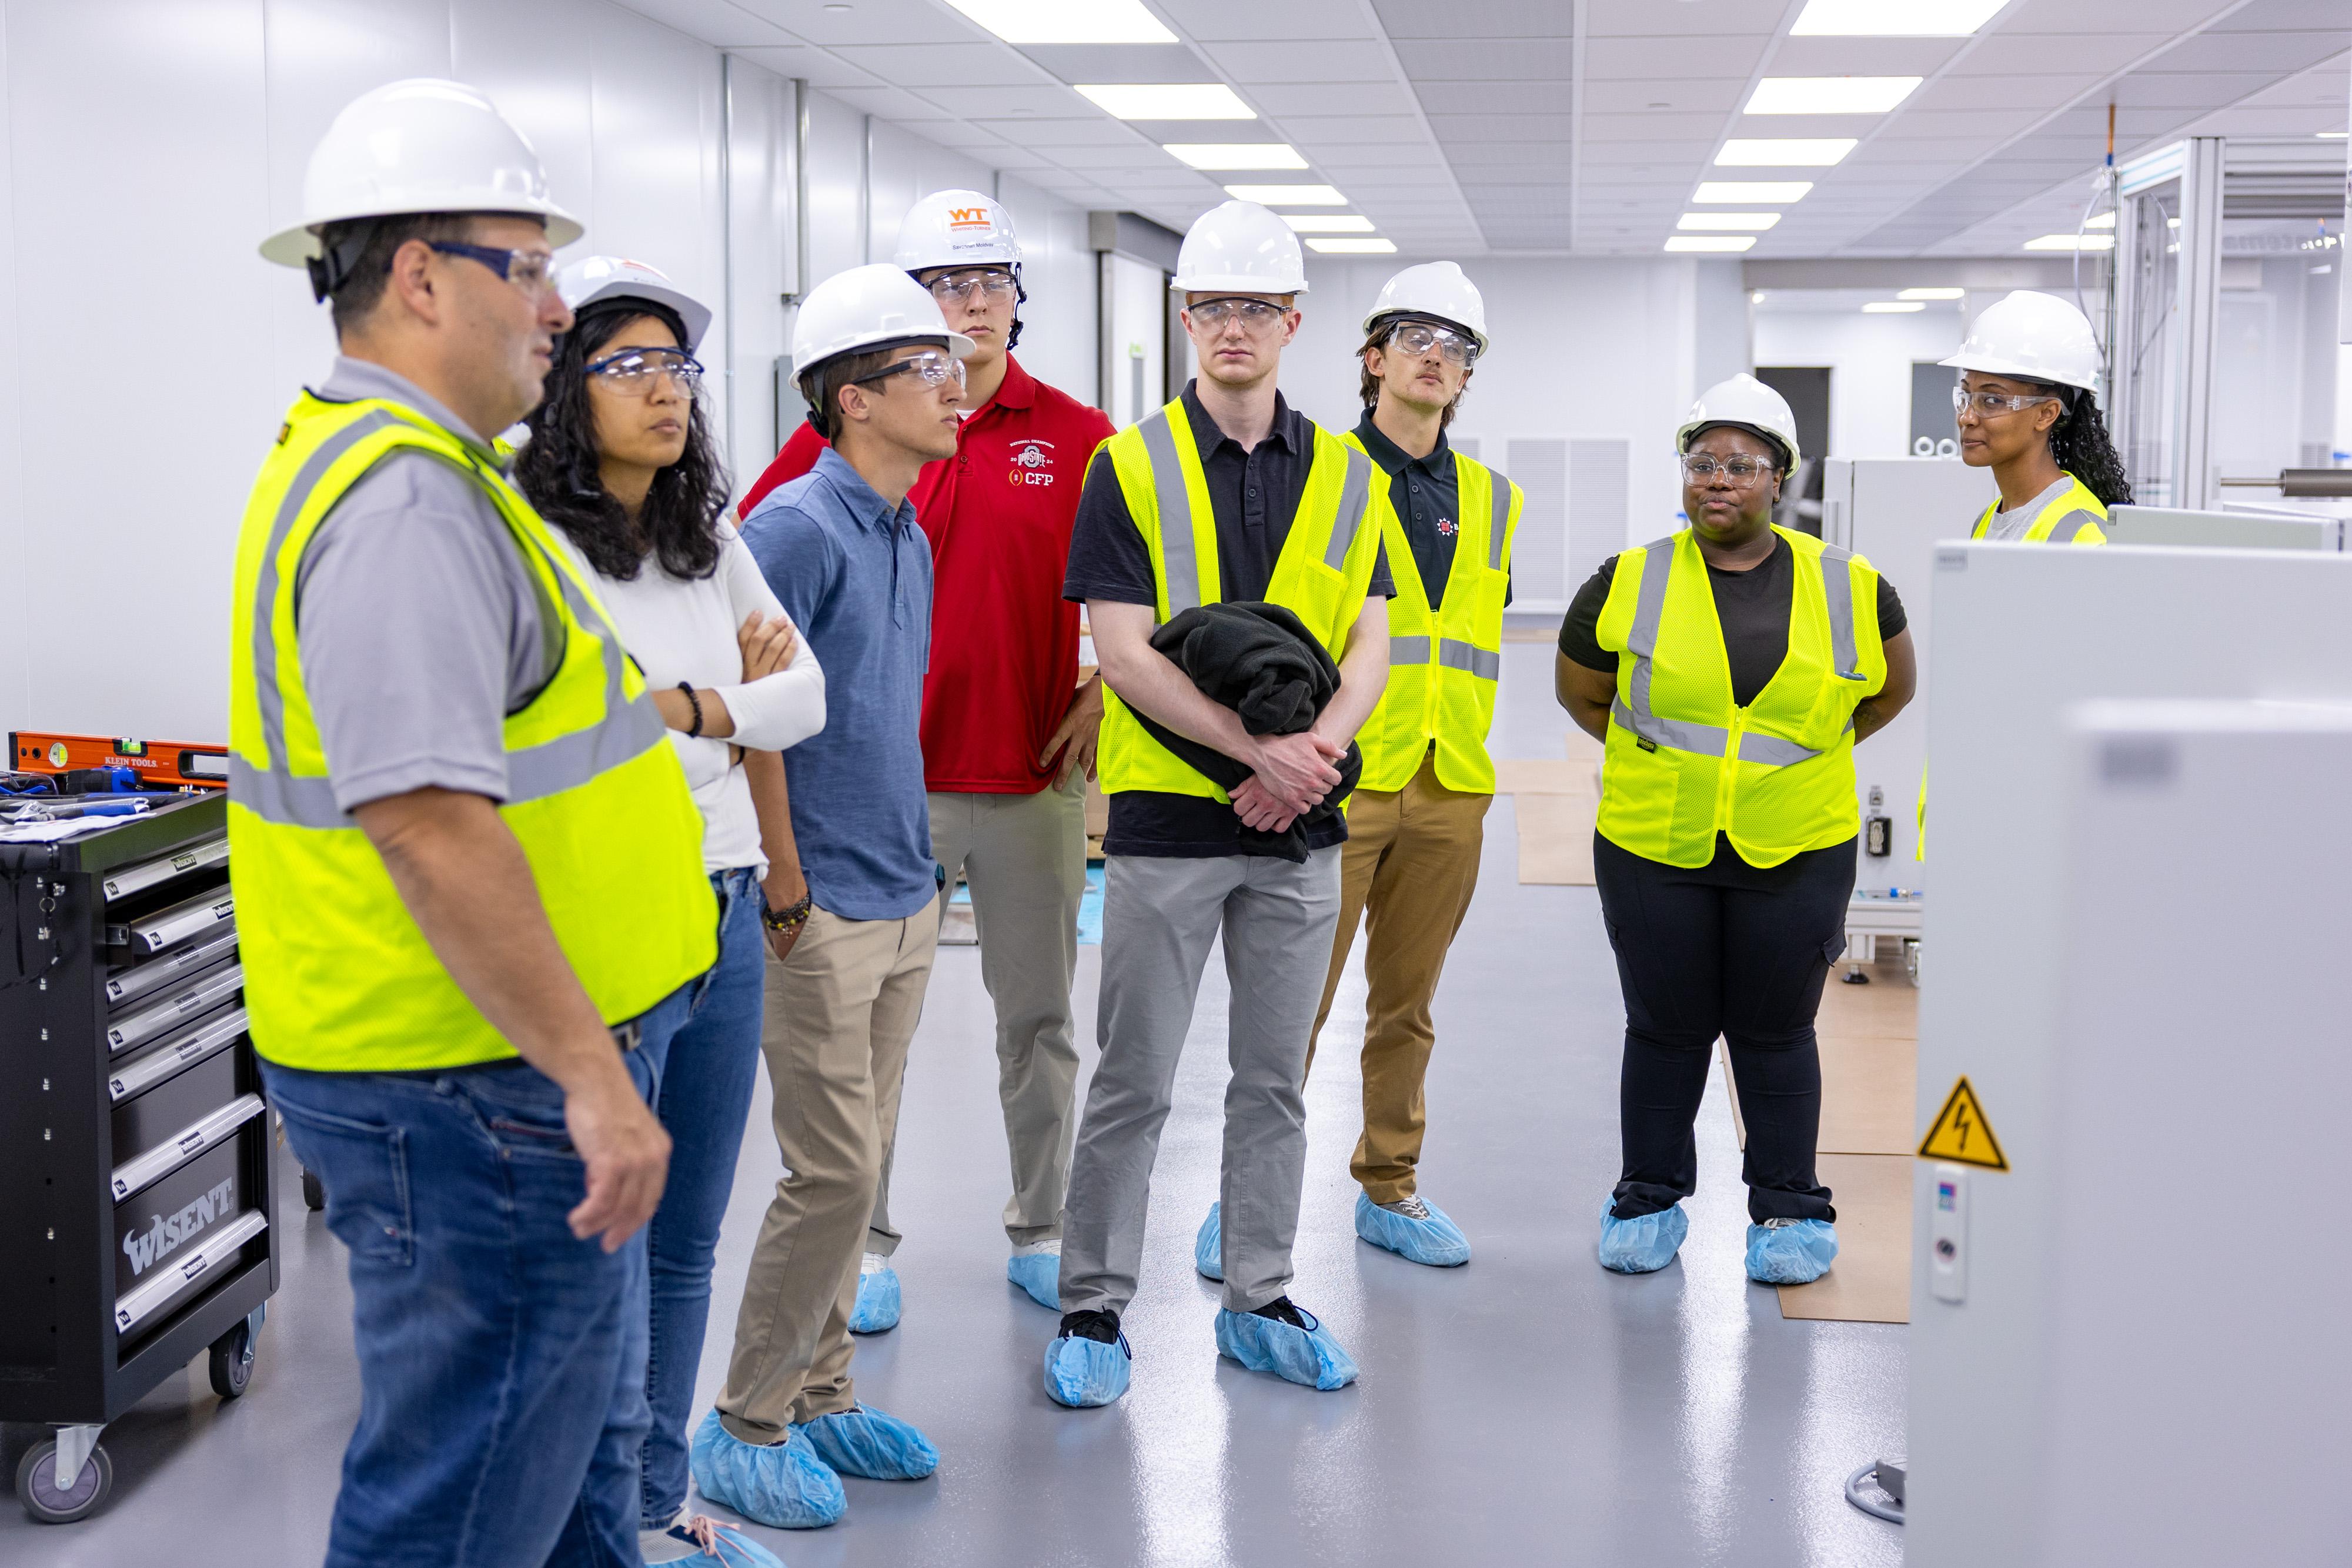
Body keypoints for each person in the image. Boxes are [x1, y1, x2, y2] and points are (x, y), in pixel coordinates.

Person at [233, 81, 725, 1568]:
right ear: (421, 275)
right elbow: (430, 823)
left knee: (551, 1464)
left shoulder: (432, 475)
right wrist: (591, 1078)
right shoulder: (401, 507)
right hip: (474, 1090)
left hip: (475, 1074)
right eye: (529, 267)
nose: (557, 309)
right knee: (463, 1498)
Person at [737, 190, 1117, 1326]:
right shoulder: (834, 446)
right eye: (945, 291)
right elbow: (753, 585)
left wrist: (1110, 685)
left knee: (1038, 1022)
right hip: (878, 795)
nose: (971, 306)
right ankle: (865, 1241)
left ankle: (1042, 1224)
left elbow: (1140, 583)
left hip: (1027, 778)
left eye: (990, 283)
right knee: (867, 1044)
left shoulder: (1079, 435)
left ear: (1018, 300)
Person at [1044, 200, 1394, 1409]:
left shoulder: (1349, 471)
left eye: (1254, 306)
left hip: (1300, 829)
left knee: (1274, 1081)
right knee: (1133, 1076)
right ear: (1182, 318)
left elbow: (1371, 638)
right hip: (1164, 826)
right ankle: (1090, 1302)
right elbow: (1123, 651)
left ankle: (1259, 1291)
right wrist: (1262, 750)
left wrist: (1312, 758)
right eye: (1211, 306)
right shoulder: (1125, 464)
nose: (1231, 326)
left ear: (1292, 322)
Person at [517, 255, 829, 1567]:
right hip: (613, 915)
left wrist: (698, 709)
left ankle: (654, 1505)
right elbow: (591, 733)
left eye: (679, 367)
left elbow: (802, 697)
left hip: (724, 904)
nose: (666, 391)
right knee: (611, 1254)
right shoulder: (536, 546)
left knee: (689, 1237)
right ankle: (595, 1527)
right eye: (630, 365)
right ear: (563, 387)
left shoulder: (709, 541)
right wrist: (723, 703)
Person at [689, 263, 968, 1531]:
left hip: (903, 888)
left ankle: (824, 1393)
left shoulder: (905, 520)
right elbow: (757, 718)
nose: (956, 386)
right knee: (832, 1169)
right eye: (929, 371)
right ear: (854, 399)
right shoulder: (796, 528)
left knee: (865, 1163)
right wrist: (785, 883)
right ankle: (745, 1421)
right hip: (822, 905)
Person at [1552, 375, 1917, 1286]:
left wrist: (1791, 762)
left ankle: (1790, 1207)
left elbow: (1890, 690)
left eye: (1743, 464)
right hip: (1653, 841)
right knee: (1666, 1027)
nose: (1719, 479)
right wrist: (1672, 763)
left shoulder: (1854, 585)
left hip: (1797, 842)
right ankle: (1647, 1196)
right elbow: (1580, 690)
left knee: (1776, 1029)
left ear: (1781, 476)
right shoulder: (1628, 578)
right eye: (1703, 461)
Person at [1299, 260, 1521, 1271]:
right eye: (1416, 337)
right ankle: (1244, 1192)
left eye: (1457, 345)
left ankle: (1390, 1185)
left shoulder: (1493, 498)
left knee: (1406, 1005)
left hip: (1451, 782)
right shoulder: (1318, 474)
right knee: (1290, 999)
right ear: (1374, 359)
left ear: (1468, 375)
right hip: (1336, 779)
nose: (1437, 355)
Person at [1946, 289, 2129, 541]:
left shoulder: (2084, 533)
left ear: (2046, 414)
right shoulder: (1989, 520)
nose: (1967, 417)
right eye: (1966, 396)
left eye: (1992, 400)